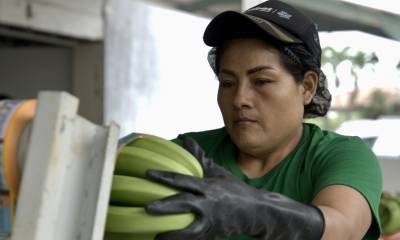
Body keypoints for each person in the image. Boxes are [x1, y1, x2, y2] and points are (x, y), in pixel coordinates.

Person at [144, 0, 382, 239]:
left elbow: (343, 228)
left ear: (307, 87)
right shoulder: (186, 155)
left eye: (262, 81)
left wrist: (256, 213)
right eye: (227, 83)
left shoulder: (342, 156)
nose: (239, 99)